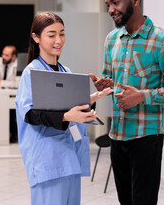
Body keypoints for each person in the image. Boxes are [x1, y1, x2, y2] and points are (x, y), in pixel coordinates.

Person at [90, 0, 164, 205]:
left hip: (147, 137)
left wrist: (142, 96)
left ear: (135, 0)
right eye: (108, 5)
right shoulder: (111, 40)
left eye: (115, 3)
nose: (111, 10)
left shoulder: (162, 40)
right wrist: (104, 85)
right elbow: (111, 78)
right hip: (118, 134)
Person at [16, 12, 113, 205]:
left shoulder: (66, 71)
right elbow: (31, 114)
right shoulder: (31, 73)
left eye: (62, 33)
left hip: (69, 156)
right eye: (51, 35)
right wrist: (66, 116)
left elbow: (70, 107)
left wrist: (91, 99)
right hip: (47, 159)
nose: (58, 40)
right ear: (36, 38)